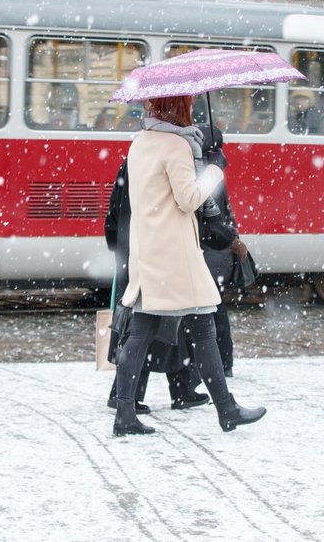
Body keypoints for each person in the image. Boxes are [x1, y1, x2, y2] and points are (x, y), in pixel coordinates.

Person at [113, 94, 266, 436]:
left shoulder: (139, 142)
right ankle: (227, 411)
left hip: (147, 247)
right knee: (203, 329)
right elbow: (189, 199)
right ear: (180, 108)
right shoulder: (177, 146)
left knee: (139, 333)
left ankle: (124, 413)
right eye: (189, 105)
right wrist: (210, 173)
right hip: (175, 253)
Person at [103, 159, 210, 413]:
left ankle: (135, 391)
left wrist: (118, 244)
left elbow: (115, 209)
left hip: (133, 249)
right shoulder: (173, 160)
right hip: (156, 252)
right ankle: (172, 389)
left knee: (146, 324)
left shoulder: (136, 160)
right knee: (160, 324)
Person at [197, 123, 247, 377]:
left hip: (211, 251)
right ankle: (222, 362)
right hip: (218, 252)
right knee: (214, 308)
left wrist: (228, 240)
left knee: (210, 311)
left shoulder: (207, 173)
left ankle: (219, 364)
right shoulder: (215, 168)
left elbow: (211, 220)